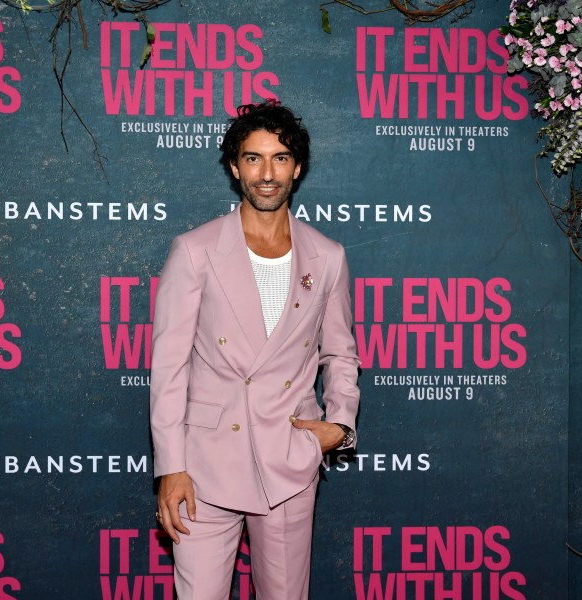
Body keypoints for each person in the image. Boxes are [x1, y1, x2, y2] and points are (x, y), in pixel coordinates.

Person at [149, 100, 360, 599]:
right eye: (253, 158)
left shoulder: (328, 256)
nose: (267, 174)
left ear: (297, 168)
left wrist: (340, 424)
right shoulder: (195, 250)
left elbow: (340, 353)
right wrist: (170, 467)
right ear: (234, 166)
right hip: (204, 465)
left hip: (288, 458)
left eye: (280, 158)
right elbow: (169, 367)